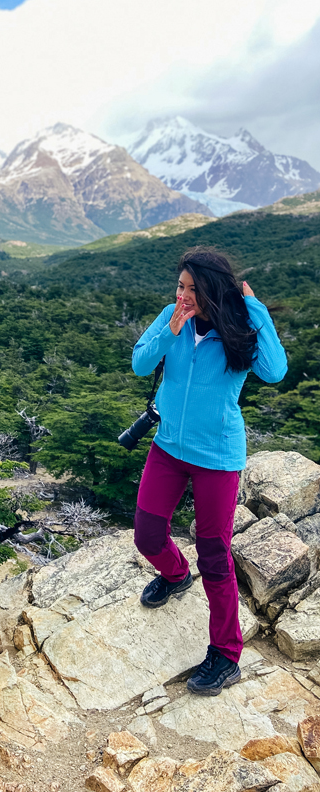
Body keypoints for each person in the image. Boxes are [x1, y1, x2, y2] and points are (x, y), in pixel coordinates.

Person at [131, 247, 287, 695]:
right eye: (180, 287)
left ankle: (226, 655)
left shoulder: (238, 326)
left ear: (213, 290)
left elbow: (275, 371)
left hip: (217, 456)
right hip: (168, 448)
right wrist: (171, 330)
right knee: (147, 535)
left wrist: (253, 308)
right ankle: (176, 575)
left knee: (215, 556)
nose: (182, 295)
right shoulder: (171, 316)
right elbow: (141, 362)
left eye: (191, 290)